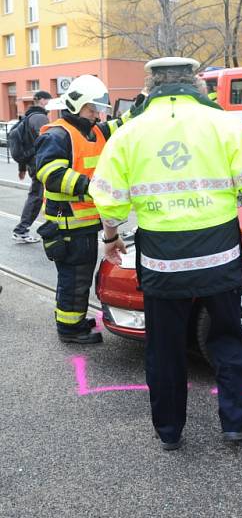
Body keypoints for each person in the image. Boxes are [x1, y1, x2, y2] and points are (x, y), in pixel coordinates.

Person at [89, 57, 242, 451]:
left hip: (162, 259)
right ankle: (234, 424)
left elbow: (108, 196)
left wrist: (110, 236)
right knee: (229, 339)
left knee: (164, 347)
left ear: (151, 86)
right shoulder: (223, 124)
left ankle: (169, 430)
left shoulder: (131, 131)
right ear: (195, 83)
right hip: (218, 254)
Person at [35, 75, 130, 344]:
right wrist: (93, 186)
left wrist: (143, 103)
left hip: (84, 223)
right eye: (92, 110)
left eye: (98, 110)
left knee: (79, 278)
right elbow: (50, 173)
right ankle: (69, 329)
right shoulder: (57, 134)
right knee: (73, 280)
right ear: (76, 106)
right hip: (67, 225)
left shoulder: (95, 130)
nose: (97, 115)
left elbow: (122, 123)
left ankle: (74, 318)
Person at [11, 90, 53, 243]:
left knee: (39, 196)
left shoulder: (28, 116)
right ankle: (21, 230)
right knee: (38, 197)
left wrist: (22, 168)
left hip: (33, 164)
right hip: (40, 163)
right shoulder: (40, 117)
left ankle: (23, 229)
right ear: (42, 100)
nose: (50, 102)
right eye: (49, 99)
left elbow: (24, 142)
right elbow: (47, 139)